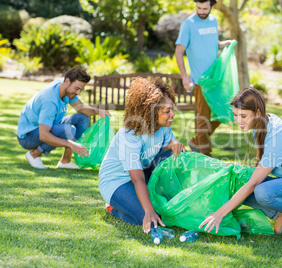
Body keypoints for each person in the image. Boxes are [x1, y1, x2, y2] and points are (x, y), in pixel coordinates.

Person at [199, 87, 282, 241]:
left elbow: (254, 183)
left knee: (262, 191)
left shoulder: (277, 135)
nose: (238, 121)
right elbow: (257, 169)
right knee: (238, 179)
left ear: (258, 112)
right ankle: (281, 213)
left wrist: (220, 213)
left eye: (243, 116)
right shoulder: (261, 125)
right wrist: (237, 170)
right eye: (235, 115)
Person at [98, 77, 185, 233]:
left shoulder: (163, 126)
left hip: (143, 173)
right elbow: (137, 179)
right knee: (148, 216)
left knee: (175, 155)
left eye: (172, 108)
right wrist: (148, 209)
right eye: (167, 111)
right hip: (116, 182)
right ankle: (113, 208)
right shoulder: (130, 134)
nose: (172, 114)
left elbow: (169, 144)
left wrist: (174, 143)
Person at [17, 67, 110, 169]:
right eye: (77, 88)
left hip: (46, 127)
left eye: (81, 90)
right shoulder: (49, 101)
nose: (78, 93)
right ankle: (34, 154)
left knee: (83, 119)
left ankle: (65, 161)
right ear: (67, 81)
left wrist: (97, 111)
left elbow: (81, 108)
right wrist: (70, 144)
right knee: (69, 130)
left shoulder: (63, 87)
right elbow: (44, 135)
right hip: (27, 137)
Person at [175, 0, 232, 157]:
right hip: (201, 80)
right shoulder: (188, 24)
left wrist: (225, 43)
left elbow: (212, 44)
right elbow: (179, 51)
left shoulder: (213, 21)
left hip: (216, 78)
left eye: (205, 8)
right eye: (198, 8)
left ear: (212, 7)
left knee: (224, 112)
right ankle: (206, 154)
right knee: (203, 117)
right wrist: (185, 77)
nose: (201, 11)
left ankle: (197, 141)